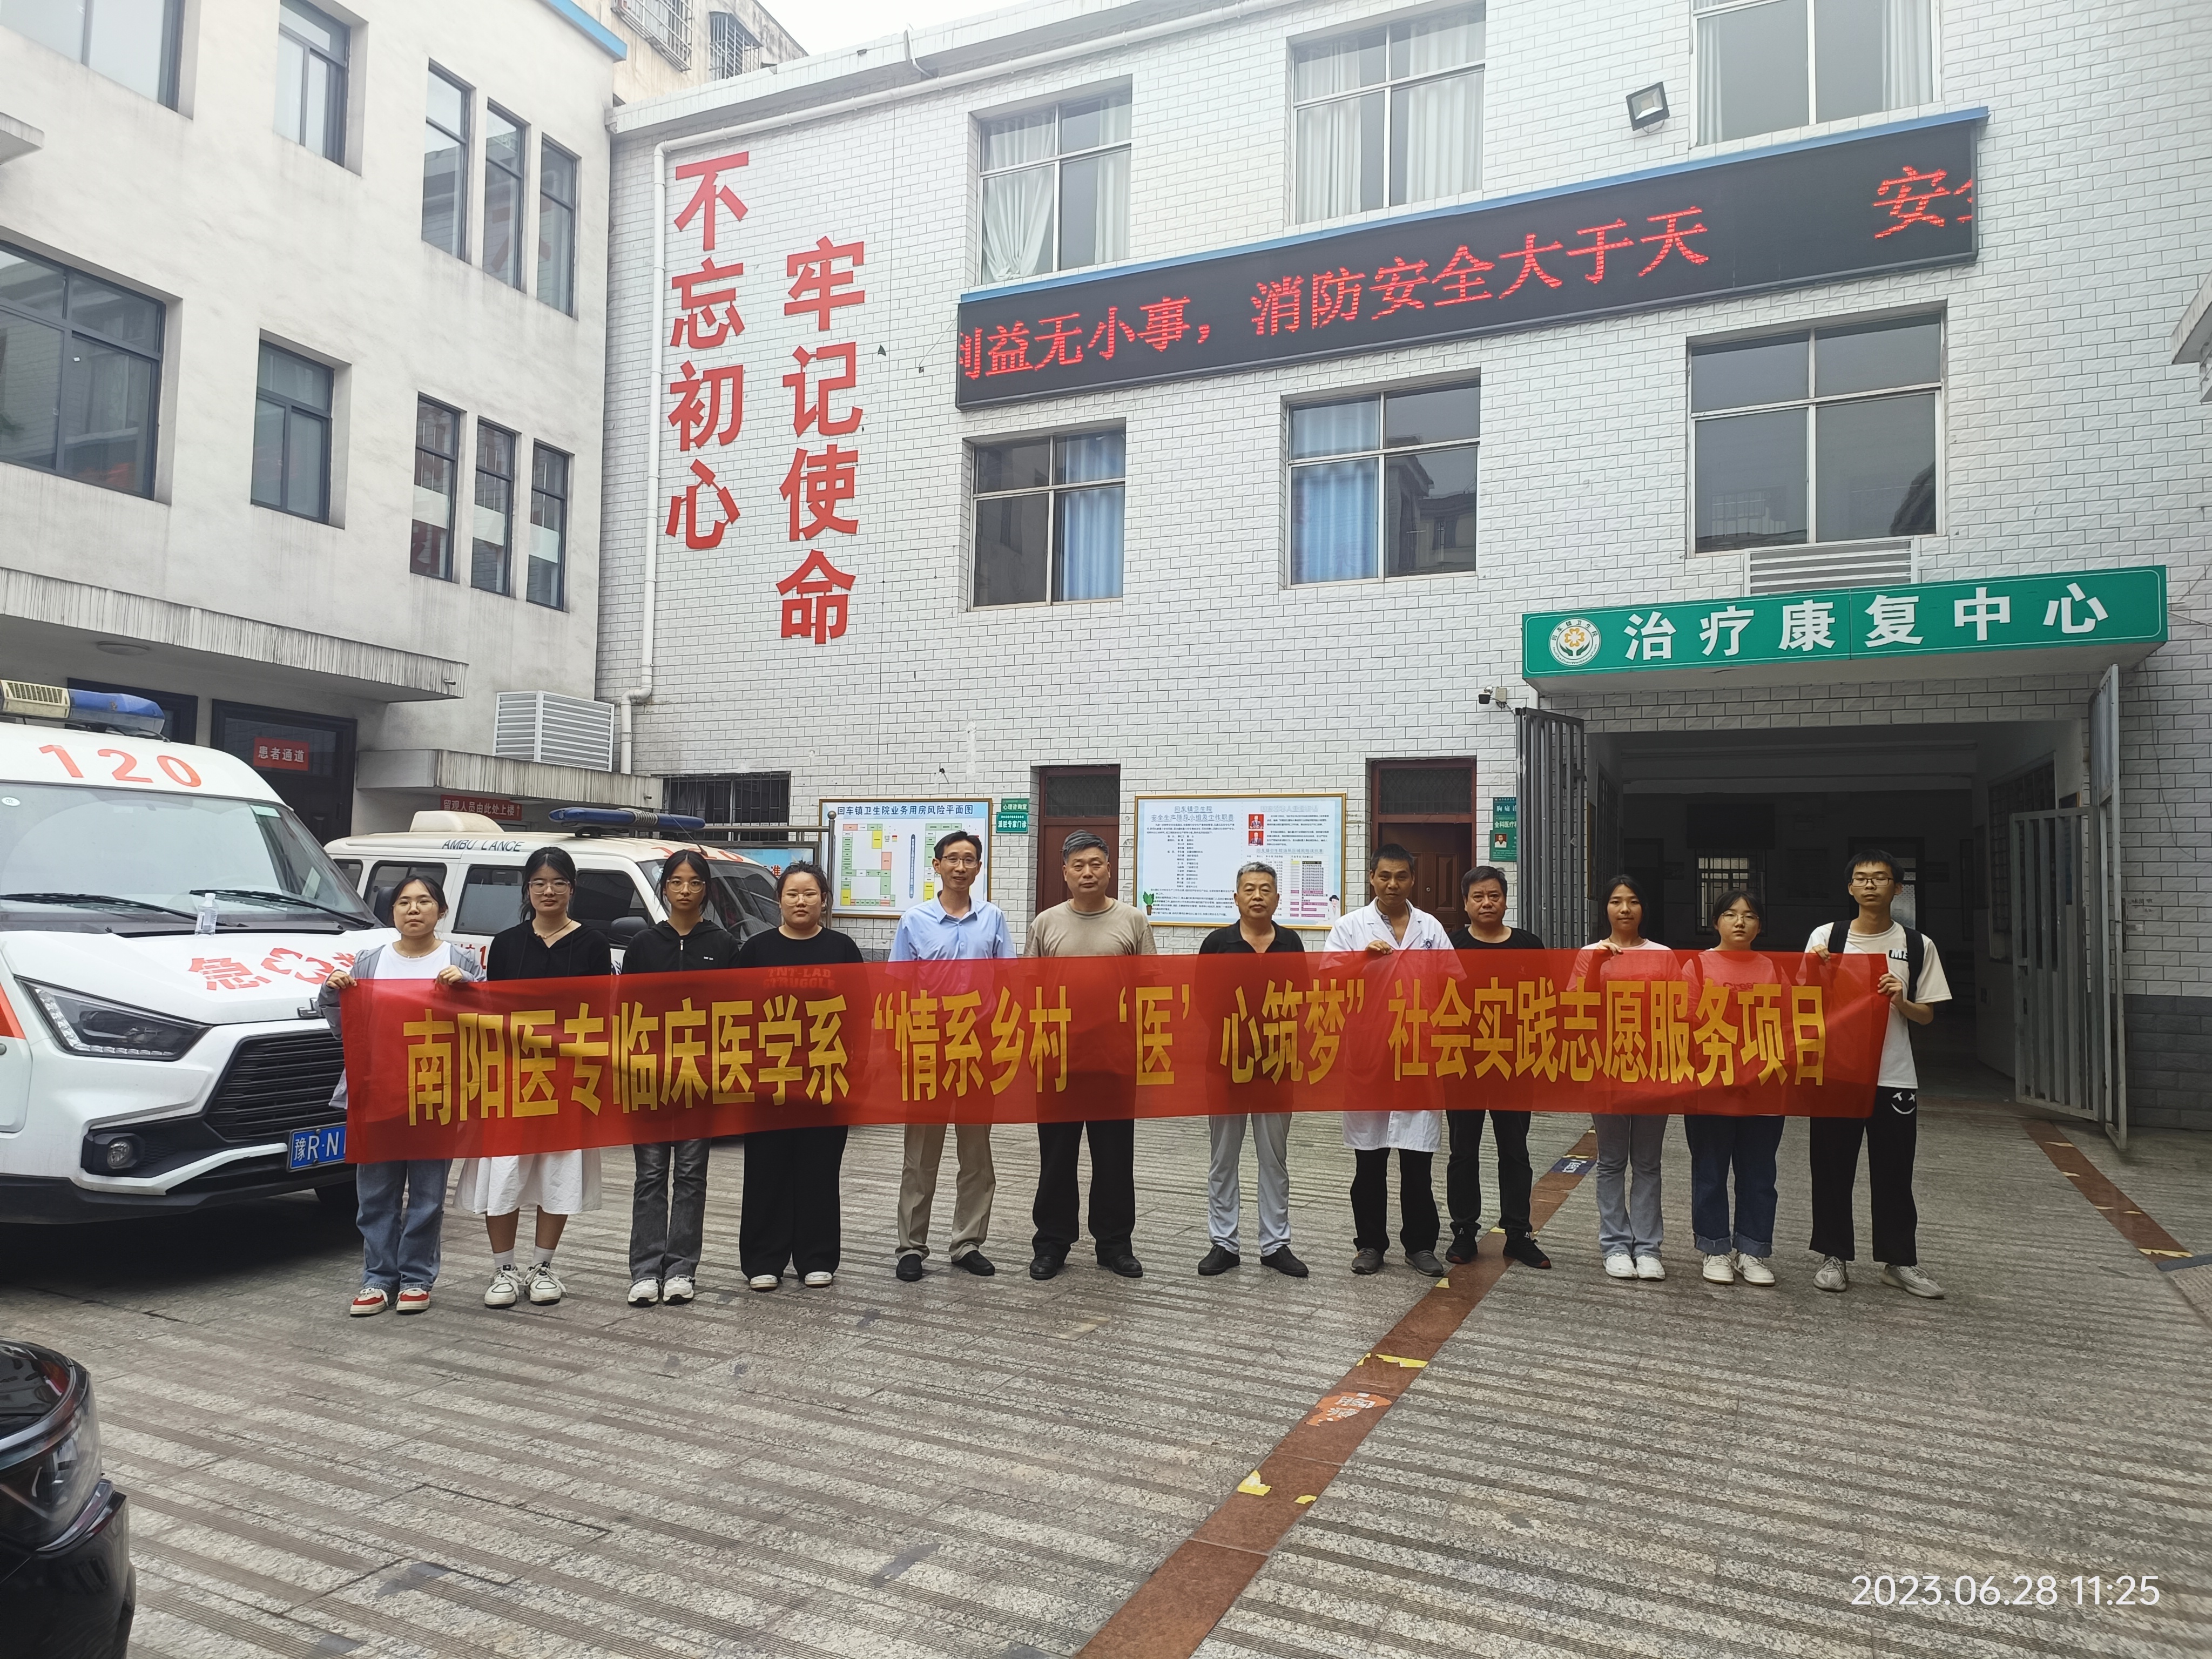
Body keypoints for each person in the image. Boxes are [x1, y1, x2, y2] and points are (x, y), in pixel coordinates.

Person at [456, 846, 612, 1309]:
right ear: (527, 890)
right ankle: (503, 1269)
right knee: (504, 1168)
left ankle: (543, 1267)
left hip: (567, 1075)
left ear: (572, 889)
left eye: (558, 882)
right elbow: (491, 1010)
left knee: (558, 1169)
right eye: (539, 883)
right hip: (511, 1075)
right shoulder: (506, 943)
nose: (549, 891)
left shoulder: (593, 943)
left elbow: (599, 1014)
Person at [322, 875, 481, 1317]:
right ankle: (377, 1278)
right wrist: (331, 989)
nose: (414, 909)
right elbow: (343, 1025)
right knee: (376, 1193)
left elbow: (486, 1020)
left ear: (441, 911)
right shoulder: (370, 962)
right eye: (404, 902)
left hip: (436, 1093)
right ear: (392, 912)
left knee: (427, 1197)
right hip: (378, 1091)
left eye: (424, 901)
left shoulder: (459, 960)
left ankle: (416, 1278)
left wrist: (469, 986)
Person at [1805, 851, 1951, 1299]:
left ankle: (1899, 1261)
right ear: (1850, 888)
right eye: (1862, 878)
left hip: (1894, 1075)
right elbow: (1802, 1002)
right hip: (1838, 1073)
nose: (1870, 885)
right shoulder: (1827, 937)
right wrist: (1817, 970)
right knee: (1832, 1168)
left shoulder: (1917, 944)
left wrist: (1900, 1000)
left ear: (1898, 888)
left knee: (1894, 1171)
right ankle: (1833, 1256)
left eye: (1881, 878)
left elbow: (1926, 1015)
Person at [1027, 830, 1155, 1282]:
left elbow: (1151, 988)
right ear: (1064, 872)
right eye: (1078, 865)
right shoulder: (1046, 923)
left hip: (1114, 1060)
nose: (1087, 872)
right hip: (1058, 1060)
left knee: (1115, 1158)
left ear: (1109, 869)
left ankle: (1115, 1244)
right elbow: (1030, 991)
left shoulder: (1133, 921)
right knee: (1056, 1158)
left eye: (1096, 863)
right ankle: (1052, 1244)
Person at [888, 830, 1014, 1283]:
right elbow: (898, 989)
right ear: (937, 865)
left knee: (977, 1153)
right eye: (953, 859)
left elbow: (1009, 984)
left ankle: (967, 1243)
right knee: (920, 1154)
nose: (961, 867)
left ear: (979, 868)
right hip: (929, 1046)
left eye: (969, 860)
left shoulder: (993, 918)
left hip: (977, 1048)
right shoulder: (915, 920)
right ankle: (911, 1247)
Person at [1326, 843, 1455, 1278]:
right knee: (1370, 1160)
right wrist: (1363, 960)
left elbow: (1453, 981)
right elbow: (1328, 980)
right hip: (1370, 1053)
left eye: (1401, 877)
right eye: (1384, 876)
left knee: (1418, 1161)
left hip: (1418, 1053)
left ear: (1413, 879)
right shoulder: (1349, 927)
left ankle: (1420, 1246)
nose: (1393, 885)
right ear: (1371, 878)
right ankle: (1370, 1245)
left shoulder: (1430, 927)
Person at [736, 861, 863, 1291]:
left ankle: (817, 1256)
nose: (801, 901)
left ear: (824, 900)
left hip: (825, 1081)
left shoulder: (842, 949)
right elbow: (736, 1015)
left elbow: (860, 1013)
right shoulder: (756, 951)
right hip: (768, 1082)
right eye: (793, 894)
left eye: (810, 894)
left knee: (819, 1170)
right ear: (779, 901)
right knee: (766, 1169)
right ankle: (763, 1260)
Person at [621, 849, 740, 1309]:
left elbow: (735, 1011)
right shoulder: (644, 944)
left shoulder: (724, 945)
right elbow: (626, 1011)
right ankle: (645, 1270)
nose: (685, 890)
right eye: (676, 882)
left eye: (694, 882)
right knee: (650, 1175)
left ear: (706, 889)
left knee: (691, 1175)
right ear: (665, 887)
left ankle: (681, 1269)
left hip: (699, 1077)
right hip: (650, 1077)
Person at [1195, 861, 1309, 1279]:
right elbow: (1202, 999)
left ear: (1277, 899)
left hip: (1277, 1065)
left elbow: (1302, 997)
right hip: (1226, 1064)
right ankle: (1223, 1243)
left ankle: (1275, 1244)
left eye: (1265, 889)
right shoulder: (1217, 943)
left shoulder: (1291, 943)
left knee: (1274, 1158)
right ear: (1236, 897)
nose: (1257, 895)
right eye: (1249, 888)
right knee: (1223, 1158)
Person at [1443, 866, 1552, 1270]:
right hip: (1463, 1064)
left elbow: (1546, 1001)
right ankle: (1464, 1231)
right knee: (1463, 1151)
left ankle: (1518, 1234)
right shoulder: (1451, 945)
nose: (1487, 903)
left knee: (1515, 1151)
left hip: (1514, 1064)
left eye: (1494, 896)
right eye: (1478, 897)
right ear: (1465, 903)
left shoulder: (1528, 945)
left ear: (1506, 900)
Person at [1682, 889, 1784, 1287]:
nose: (1740, 922)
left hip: (1762, 1085)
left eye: (1749, 915)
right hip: (1711, 1083)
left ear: (1760, 926)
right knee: (1710, 1170)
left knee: (1759, 1172)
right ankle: (1715, 1248)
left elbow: (1787, 1022)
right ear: (1716, 922)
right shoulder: (1697, 966)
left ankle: (1752, 1249)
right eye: (1730, 914)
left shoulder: (1774, 968)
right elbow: (1687, 1022)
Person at [1584, 874, 1673, 1284]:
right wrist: (1596, 967)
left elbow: (1680, 1010)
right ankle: (1616, 1245)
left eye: (1633, 901)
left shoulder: (1663, 955)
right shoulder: (1590, 953)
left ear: (1643, 908)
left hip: (1654, 1070)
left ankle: (1649, 1248)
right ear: (1605, 908)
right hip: (1605, 1070)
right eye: (1617, 901)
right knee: (1611, 1161)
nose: (1625, 909)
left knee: (1648, 1162)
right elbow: (1576, 1008)